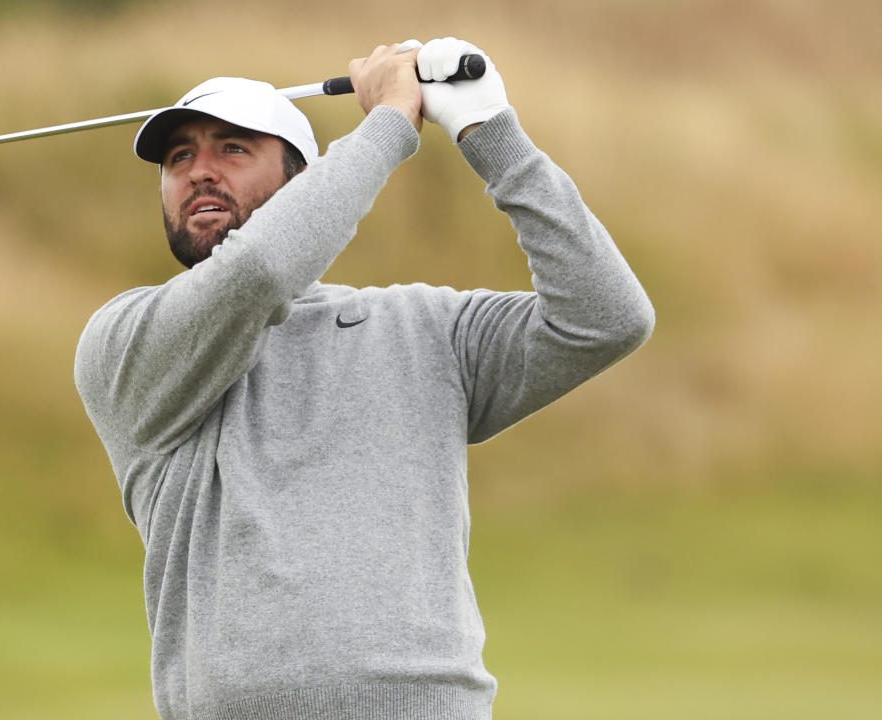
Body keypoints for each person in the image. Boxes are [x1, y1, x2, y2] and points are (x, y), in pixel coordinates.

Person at [74, 37, 655, 720]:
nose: (199, 171)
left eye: (232, 149)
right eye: (179, 158)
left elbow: (606, 316)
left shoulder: (424, 327)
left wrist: (489, 132)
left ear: (303, 181)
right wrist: (387, 125)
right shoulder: (127, 340)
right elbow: (256, 273)